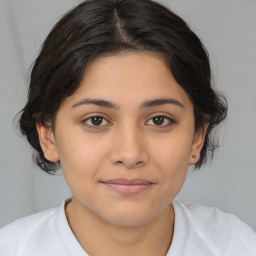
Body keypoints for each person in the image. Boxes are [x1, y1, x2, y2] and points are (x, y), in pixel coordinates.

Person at [0, 0, 255, 255]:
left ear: (197, 137)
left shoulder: (236, 244)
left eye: (159, 120)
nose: (130, 154)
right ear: (48, 136)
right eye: (96, 120)